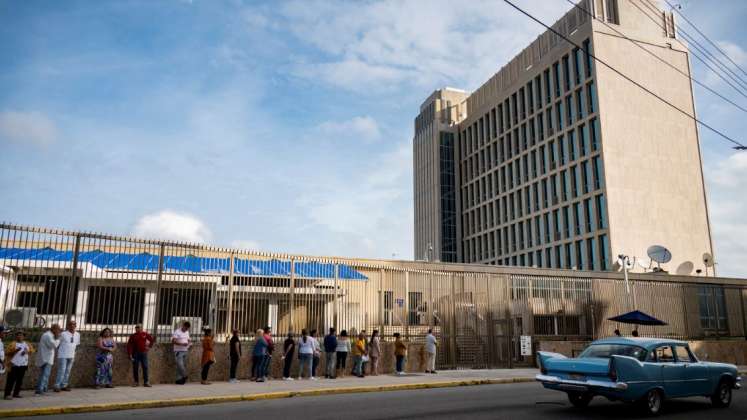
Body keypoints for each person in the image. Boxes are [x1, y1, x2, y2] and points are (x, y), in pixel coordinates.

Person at [4, 330, 34, 400]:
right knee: (11, 380)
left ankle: (16, 393)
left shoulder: (27, 344)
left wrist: (27, 351)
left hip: (23, 364)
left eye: (21, 335)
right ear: (16, 336)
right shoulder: (13, 344)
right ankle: (7, 394)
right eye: (18, 335)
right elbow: (7, 352)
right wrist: (15, 351)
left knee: (19, 380)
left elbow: (32, 350)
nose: (19, 336)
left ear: (24, 336)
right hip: (13, 364)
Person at [54, 320, 80, 392]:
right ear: (68, 326)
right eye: (70, 324)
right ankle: (57, 385)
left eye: (74, 324)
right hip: (63, 355)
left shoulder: (78, 334)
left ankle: (64, 385)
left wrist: (74, 353)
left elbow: (76, 345)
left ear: (75, 326)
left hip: (71, 355)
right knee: (61, 370)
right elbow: (57, 343)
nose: (72, 326)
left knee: (68, 371)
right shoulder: (63, 334)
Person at [36, 324, 61, 395]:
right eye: (58, 330)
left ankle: (43, 388)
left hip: (47, 358)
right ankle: (40, 389)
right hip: (45, 358)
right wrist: (58, 339)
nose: (59, 332)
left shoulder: (50, 335)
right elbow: (54, 345)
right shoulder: (48, 335)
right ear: (54, 329)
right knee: (44, 374)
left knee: (45, 374)